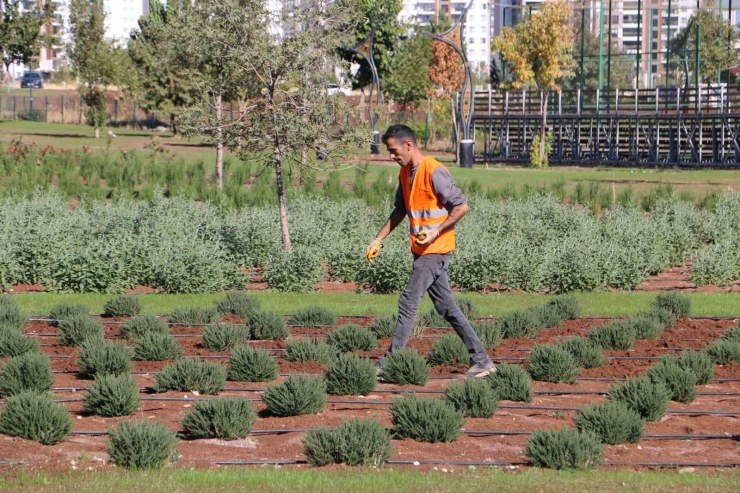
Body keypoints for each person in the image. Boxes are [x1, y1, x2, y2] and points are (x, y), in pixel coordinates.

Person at [366, 124, 496, 378]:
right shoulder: (406, 173)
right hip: (421, 249)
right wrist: (378, 239)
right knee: (447, 307)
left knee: (408, 301)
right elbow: (400, 211)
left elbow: (461, 207)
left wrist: (435, 231)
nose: (391, 156)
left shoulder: (434, 170)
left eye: (393, 151)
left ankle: (392, 361)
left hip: (435, 250)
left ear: (408, 145)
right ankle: (482, 361)